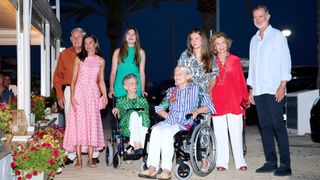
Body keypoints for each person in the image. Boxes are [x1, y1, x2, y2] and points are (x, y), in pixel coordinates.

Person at [138, 65, 215, 180]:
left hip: (185, 122)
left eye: (180, 74)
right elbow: (160, 108)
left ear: (187, 76)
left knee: (167, 133)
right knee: (155, 130)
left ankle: (166, 170)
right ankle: (152, 168)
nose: (176, 76)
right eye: (175, 74)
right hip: (170, 120)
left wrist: (197, 111)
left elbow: (210, 106)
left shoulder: (196, 89)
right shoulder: (172, 91)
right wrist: (168, 114)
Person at [247, 5, 292, 176]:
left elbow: (285, 61)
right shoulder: (254, 40)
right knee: (264, 126)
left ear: (268, 16)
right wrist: (251, 88)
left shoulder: (277, 36)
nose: (258, 20)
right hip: (259, 90)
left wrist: (282, 86)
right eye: (255, 17)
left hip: (274, 89)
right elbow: (253, 66)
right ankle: (271, 161)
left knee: (278, 126)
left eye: (261, 16)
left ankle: (286, 164)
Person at [54, 28, 99, 165]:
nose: (76, 40)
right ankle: (72, 154)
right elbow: (57, 77)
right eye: (73, 37)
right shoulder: (65, 54)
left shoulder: (91, 54)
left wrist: (99, 94)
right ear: (70, 39)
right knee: (71, 122)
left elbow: (98, 76)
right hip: (71, 90)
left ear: (84, 38)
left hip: (89, 91)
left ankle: (94, 153)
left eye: (79, 37)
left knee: (91, 121)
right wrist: (60, 95)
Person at [63, 34, 107, 168]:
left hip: (93, 94)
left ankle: (90, 159)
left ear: (95, 44)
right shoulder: (79, 58)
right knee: (78, 125)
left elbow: (101, 80)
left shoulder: (101, 61)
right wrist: (72, 97)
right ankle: (79, 160)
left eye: (90, 42)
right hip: (80, 94)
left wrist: (104, 95)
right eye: (86, 43)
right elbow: (73, 80)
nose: (88, 45)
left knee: (91, 125)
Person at [210, 32, 248, 171]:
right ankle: (222, 162)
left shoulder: (235, 60)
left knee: (236, 133)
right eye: (217, 43)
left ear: (227, 43)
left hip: (233, 100)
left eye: (223, 43)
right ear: (214, 46)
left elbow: (240, 80)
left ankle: (240, 162)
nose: (220, 46)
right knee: (220, 133)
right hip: (217, 101)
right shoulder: (210, 61)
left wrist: (244, 99)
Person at [112, 74, 150, 156]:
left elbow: (146, 111)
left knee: (138, 117)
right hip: (127, 126)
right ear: (125, 87)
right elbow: (120, 113)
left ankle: (132, 146)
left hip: (142, 124)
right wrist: (118, 110)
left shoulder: (142, 100)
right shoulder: (121, 100)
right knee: (133, 114)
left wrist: (141, 112)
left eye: (136, 83)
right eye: (132, 83)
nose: (135, 85)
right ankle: (136, 145)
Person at [178, 28, 219, 95]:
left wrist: (208, 91)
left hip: (206, 97)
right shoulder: (185, 56)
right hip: (189, 95)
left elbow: (213, 78)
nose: (194, 41)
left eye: (196, 38)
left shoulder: (211, 57)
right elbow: (179, 76)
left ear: (202, 39)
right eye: (192, 39)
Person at [108, 26, 147, 98]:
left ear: (136, 37)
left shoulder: (141, 52)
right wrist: (111, 89)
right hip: (120, 88)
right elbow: (113, 72)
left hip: (135, 89)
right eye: (129, 34)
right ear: (125, 36)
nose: (131, 36)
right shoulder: (117, 52)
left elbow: (142, 73)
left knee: (134, 109)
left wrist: (142, 90)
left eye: (133, 34)